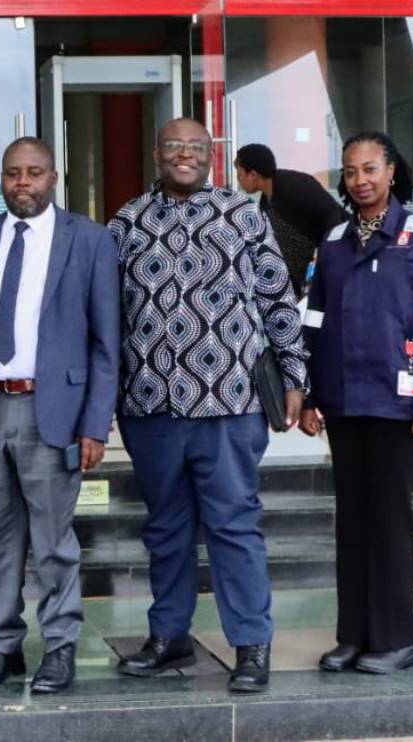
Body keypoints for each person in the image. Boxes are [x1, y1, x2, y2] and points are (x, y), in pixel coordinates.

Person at [108, 118, 308, 694]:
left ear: (211, 155)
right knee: (166, 528)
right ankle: (169, 637)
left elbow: (277, 298)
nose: (186, 155)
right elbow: (107, 314)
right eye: (175, 146)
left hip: (230, 401)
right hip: (150, 405)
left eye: (197, 147)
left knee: (233, 524)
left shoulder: (242, 214)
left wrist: (295, 374)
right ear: (157, 153)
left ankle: (250, 645)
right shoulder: (125, 223)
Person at [0, 137, 120, 694]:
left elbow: (104, 343)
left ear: (55, 178)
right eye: (13, 173)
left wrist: (95, 424)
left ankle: (60, 646)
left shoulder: (88, 241)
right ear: (2, 178)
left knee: (52, 540)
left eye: (34, 173)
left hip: (56, 410)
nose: (23, 183)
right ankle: (2, 646)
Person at [299, 131, 413, 674]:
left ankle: (398, 640)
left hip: (399, 405)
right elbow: (313, 324)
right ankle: (354, 636)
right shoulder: (335, 239)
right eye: (350, 171)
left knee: (388, 520)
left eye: (369, 169)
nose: (359, 180)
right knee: (353, 521)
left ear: (390, 171)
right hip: (343, 401)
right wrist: (311, 394)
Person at [235, 143, 346, 298]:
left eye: (239, 174)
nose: (238, 180)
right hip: (304, 281)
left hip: (333, 267)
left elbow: (331, 212)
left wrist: (327, 255)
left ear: (253, 174)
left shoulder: (295, 184)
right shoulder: (265, 202)